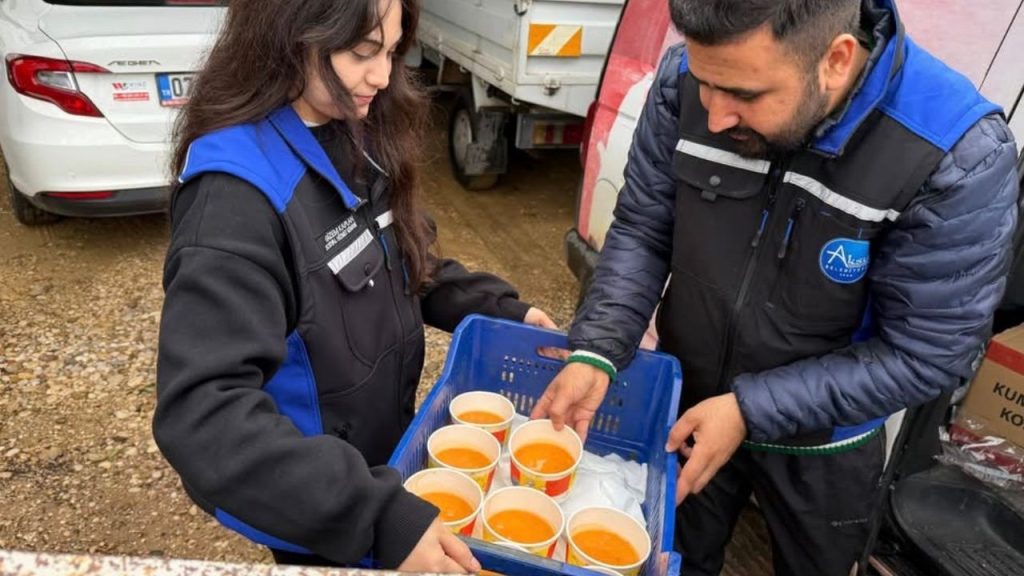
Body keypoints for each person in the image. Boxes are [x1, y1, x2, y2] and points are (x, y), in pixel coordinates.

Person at [532, 0, 1020, 574]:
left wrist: (748, 409)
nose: (715, 116)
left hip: (826, 442)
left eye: (744, 94)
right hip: (689, 409)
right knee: (674, 560)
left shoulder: (954, 152)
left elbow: (928, 352)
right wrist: (599, 346)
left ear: (836, 60)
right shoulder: (687, 80)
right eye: (705, 83)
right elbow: (643, 229)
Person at [152, 0, 555, 571]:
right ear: (291, 35)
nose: (383, 76)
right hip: (322, 501)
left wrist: (502, 310)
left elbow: (406, 259)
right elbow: (203, 415)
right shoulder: (233, 198)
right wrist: (378, 519)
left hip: (387, 459)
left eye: (392, 51)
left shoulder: (356, 129)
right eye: (363, 53)